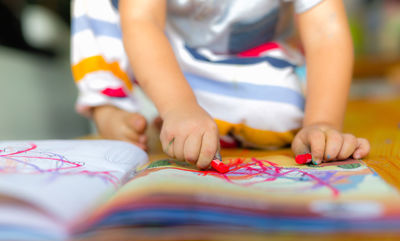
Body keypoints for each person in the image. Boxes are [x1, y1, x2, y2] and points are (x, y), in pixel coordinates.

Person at [71, 0, 370, 169]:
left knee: (286, 117)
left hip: (238, 62)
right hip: (155, 50)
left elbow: (324, 31)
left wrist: (322, 121)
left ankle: (188, 126)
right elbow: (142, 22)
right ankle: (109, 106)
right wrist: (179, 105)